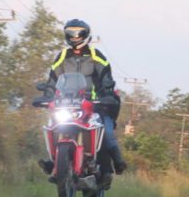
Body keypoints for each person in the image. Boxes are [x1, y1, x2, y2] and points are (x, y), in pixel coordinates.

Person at [37, 18, 127, 178]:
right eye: (71, 33)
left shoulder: (96, 56)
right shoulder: (62, 56)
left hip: (94, 105)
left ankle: (116, 163)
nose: (75, 37)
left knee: (107, 132)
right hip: (67, 104)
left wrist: (106, 95)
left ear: (85, 35)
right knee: (52, 126)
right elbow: (52, 80)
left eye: (78, 33)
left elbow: (106, 79)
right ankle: (54, 162)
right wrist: (47, 96)